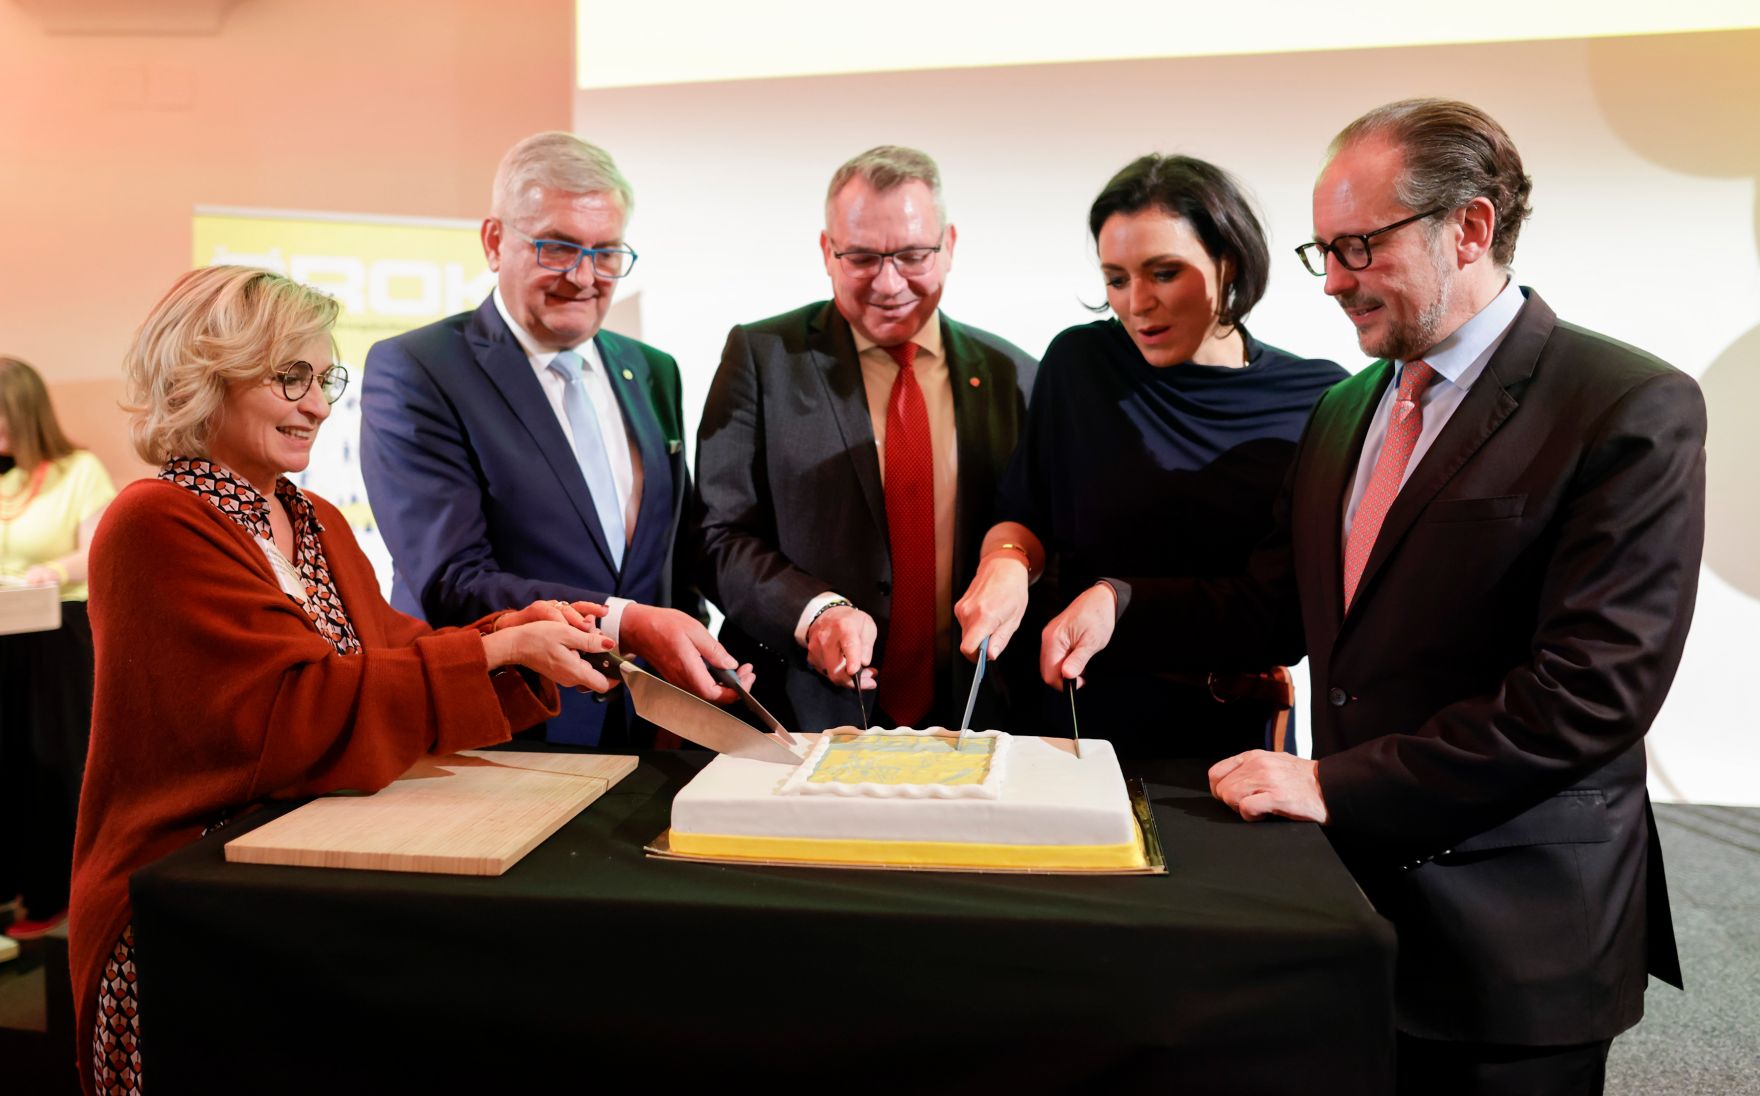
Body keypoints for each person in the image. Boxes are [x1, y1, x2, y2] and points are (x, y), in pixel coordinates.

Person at [1042, 99, 1702, 1094]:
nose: (1336, 280)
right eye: (1324, 251)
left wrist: (1330, 785)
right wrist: (1121, 600)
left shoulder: (1622, 403)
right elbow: (1279, 606)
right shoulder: (1347, 407)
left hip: (1514, 937)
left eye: (1358, 246)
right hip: (1349, 913)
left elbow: (1589, 694)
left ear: (1469, 227)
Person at [69, 266, 618, 1096]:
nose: (320, 405)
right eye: (289, 376)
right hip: (188, 910)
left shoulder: (311, 518)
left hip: (302, 888)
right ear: (202, 375)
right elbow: (291, 714)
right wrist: (497, 654)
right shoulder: (156, 522)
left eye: (324, 377)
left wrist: (523, 633)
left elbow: (393, 653)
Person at [953, 155, 1344, 759]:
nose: (1136, 303)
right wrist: (1004, 563)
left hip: (1228, 728)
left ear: (1228, 262)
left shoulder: (1315, 397)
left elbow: (1286, 607)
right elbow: (1023, 512)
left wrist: (1118, 598)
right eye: (1116, 278)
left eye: (1163, 273)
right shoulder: (1081, 365)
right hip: (1078, 718)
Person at [361, 131, 744, 747]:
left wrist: (699, 657)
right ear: (494, 242)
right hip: (509, 733)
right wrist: (628, 624)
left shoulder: (653, 370)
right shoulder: (420, 368)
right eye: (558, 247)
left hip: (650, 733)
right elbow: (451, 578)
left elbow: (672, 558)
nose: (585, 276)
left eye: (607, 252)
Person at [697, 145, 1035, 734]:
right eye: (861, 257)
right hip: (798, 714)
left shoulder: (1014, 374)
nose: (888, 282)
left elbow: (1039, 526)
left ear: (949, 246)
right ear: (827, 251)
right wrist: (814, 611)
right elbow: (717, 536)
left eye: (911, 254)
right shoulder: (762, 357)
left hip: (975, 715)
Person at [0, 357, 115, 941]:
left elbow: (97, 549)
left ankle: (51, 894)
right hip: (2, 632)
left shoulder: (78, 470)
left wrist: (48, 569)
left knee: (53, 760)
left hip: (55, 631)